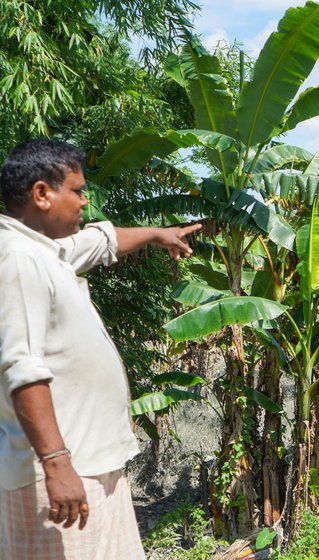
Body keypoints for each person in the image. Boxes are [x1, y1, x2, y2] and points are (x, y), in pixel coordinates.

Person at [0, 139, 201, 559]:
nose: (84, 201)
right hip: (57, 471)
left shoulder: (47, 252)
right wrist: (57, 465)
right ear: (41, 194)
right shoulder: (18, 259)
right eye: (76, 190)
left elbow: (102, 240)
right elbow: (20, 367)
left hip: (89, 463)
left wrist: (156, 234)